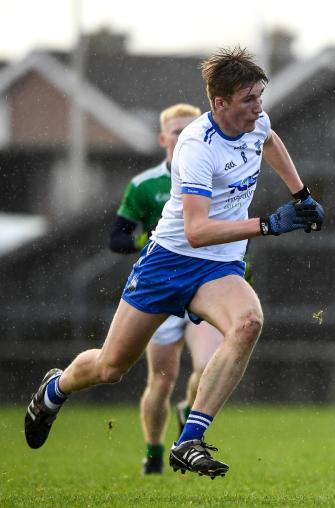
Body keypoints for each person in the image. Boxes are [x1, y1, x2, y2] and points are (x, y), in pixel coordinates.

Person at [24, 46, 324, 480]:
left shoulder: (256, 121)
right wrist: (268, 225)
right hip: (169, 262)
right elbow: (196, 231)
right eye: (248, 100)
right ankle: (54, 390)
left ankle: (189, 440)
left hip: (217, 267)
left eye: (260, 97)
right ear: (219, 103)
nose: (259, 108)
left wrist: (301, 194)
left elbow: (270, 140)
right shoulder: (196, 147)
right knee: (111, 367)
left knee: (247, 322)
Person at [108, 102, 225, 475]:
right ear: (163, 138)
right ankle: (154, 452)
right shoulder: (145, 185)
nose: (184, 136)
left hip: (203, 285)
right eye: (177, 131)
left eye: (191, 129)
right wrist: (153, 244)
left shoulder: (215, 175)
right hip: (160, 287)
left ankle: (188, 427)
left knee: (207, 366)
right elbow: (117, 237)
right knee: (161, 380)